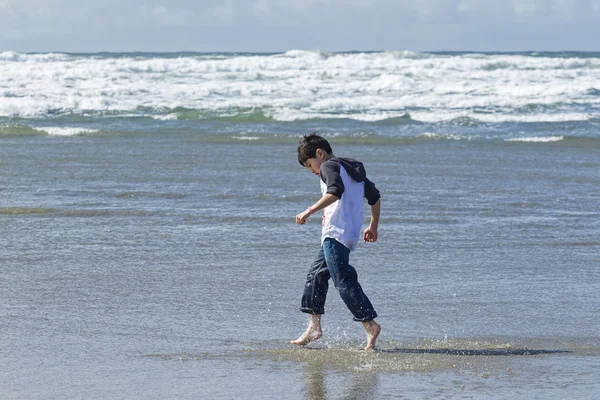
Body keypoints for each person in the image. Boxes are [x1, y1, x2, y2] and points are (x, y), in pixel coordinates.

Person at [291, 133, 382, 350]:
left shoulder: (328, 167)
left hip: (335, 233)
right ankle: (314, 326)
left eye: (309, 164)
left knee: (343, 280)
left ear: (319, 154)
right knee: (316, 275)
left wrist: (309, 210)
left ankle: (369, 323)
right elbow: (375, 197)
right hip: (347, 234)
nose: (312, 171)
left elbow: (335, 192)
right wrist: (373, 225)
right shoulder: (351, 170)